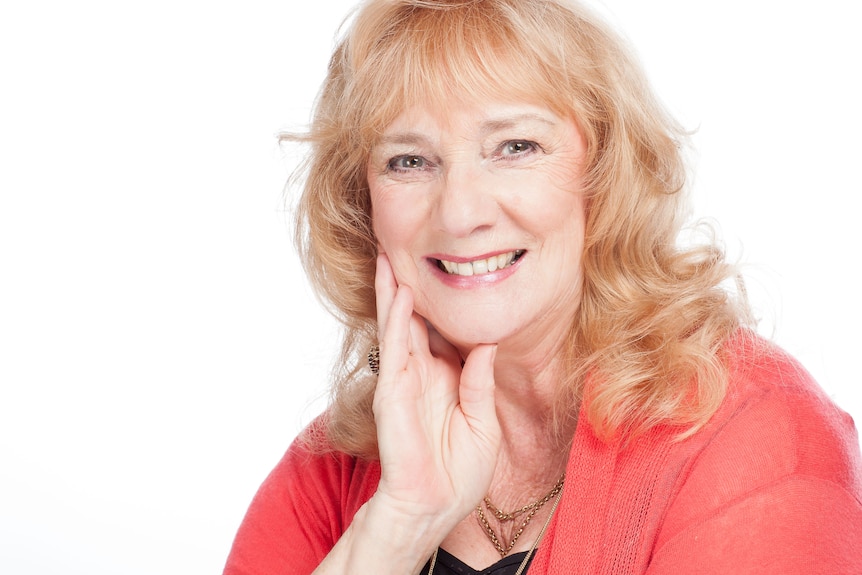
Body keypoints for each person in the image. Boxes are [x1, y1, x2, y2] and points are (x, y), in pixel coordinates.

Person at [223, 0, 862, 573]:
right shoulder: (334, 466)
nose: (460, 212)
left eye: (515, 146)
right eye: (409, 161)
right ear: (363, 209)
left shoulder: (756, 440)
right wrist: (395, 529)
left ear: (604, 174)